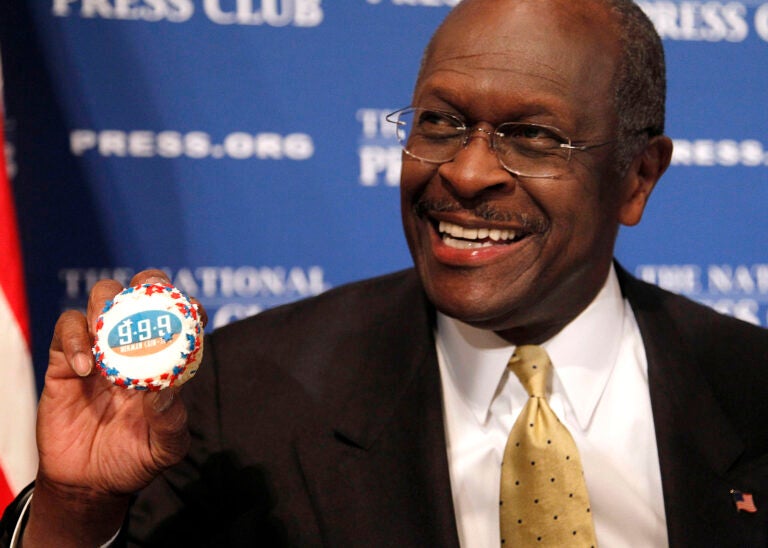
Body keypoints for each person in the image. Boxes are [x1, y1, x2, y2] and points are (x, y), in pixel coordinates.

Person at [3, 0, 768, 545]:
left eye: (531, 137)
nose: (466, 172)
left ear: (637, 177)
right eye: (440, 123)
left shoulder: (752, 391)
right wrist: (75, 512)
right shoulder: (241, 400)